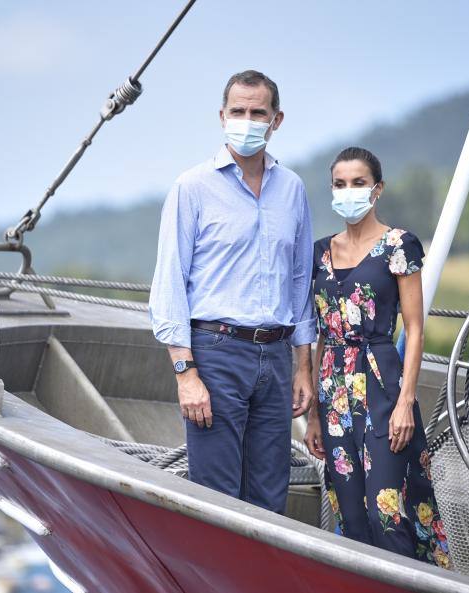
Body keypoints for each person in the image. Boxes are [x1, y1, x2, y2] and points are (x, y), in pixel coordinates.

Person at [149, 70, 316, 514]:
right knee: (217, 498)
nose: (247, 120)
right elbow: (169, 282)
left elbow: (300, 281)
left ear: (276, 120)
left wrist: (303, 368)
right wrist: (186, 374)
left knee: (270, 497)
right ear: (222, 116)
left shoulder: (293, 190)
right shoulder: (192, 187)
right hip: (216, 352)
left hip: (277, 358)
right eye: (238, 111)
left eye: (257, 112)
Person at [303, 147, 450, 568]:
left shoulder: (399, 244)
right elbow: (319, 334)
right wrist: (314, 412)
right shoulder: (319, 253)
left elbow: (415, 329)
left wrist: (407, 401)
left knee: (385, 511)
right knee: (350, 514)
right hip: (333, 388)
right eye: (340, 184)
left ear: (377, 189)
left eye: (359, 183)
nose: (349, 191)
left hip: (382, 383)